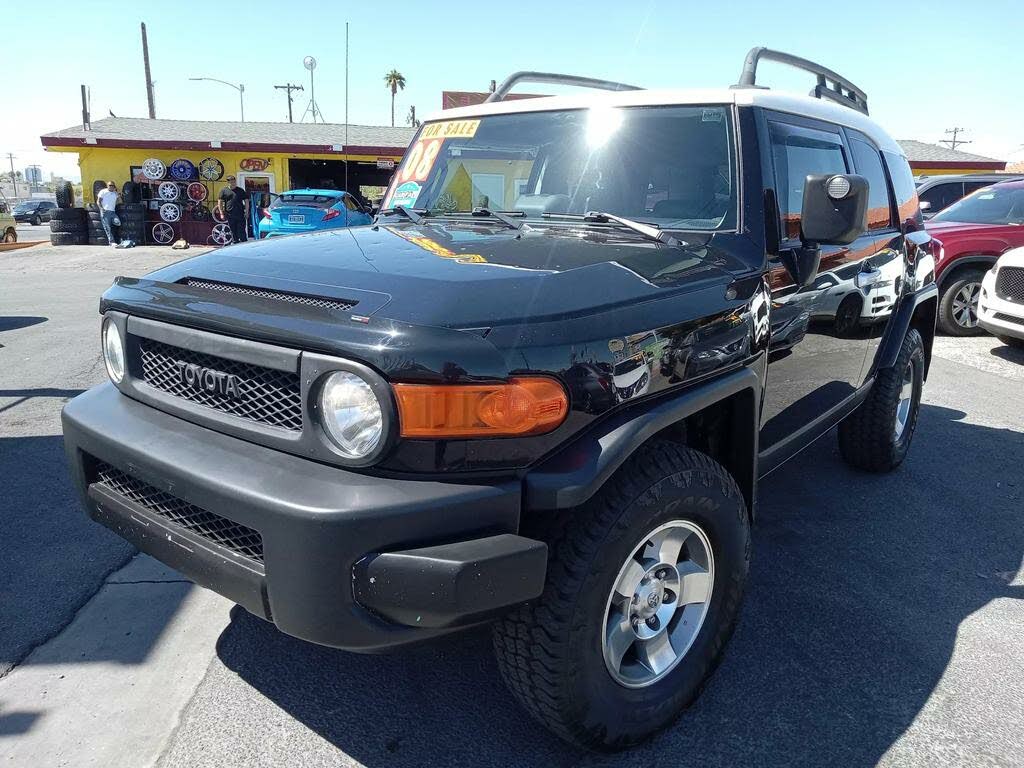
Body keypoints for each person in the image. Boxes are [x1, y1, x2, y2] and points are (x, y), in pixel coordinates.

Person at [215, 176, 248, 243]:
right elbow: (220, 202)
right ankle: (235, 244)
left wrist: (247, 212)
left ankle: (244, 244)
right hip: (230, 214)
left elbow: (246, 201)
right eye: (231, 181)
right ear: (228, 182)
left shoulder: (240, 190)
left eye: (233, 181)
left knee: (241, 231)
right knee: (233, 231)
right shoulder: (224, 190)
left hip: (240, 214)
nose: (232, 183)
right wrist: (221, 213)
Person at [96, 181, 119, 246]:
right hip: (105, 211)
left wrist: (119, 195)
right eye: (110, 185)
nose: (111, 186)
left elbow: (117, 201)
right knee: (107, 227)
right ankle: (111, 242)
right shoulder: (103, 192)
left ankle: (115, 238)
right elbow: (98, 201)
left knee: (118, 223)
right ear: (107, 186)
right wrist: (101, 208)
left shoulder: (115, 193)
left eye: (112, 185)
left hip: (112, 211)